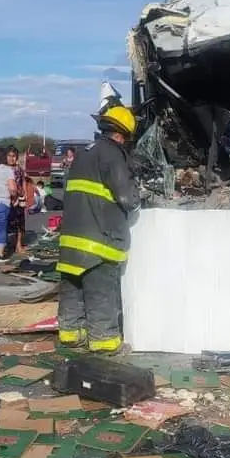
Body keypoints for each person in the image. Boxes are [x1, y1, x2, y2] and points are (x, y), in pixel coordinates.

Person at [56, 105, 140, 353]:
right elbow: (127, 199)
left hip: (71, 240)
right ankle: (105, 342)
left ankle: (70, 335)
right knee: (102, 290)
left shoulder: (84, 153)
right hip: (99, 241)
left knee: (73, 289)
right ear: (121, 135)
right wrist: (139, 194)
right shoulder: (113, 154)